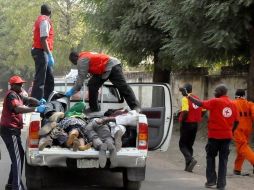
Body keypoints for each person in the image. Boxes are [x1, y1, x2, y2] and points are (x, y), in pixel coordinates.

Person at [180, 84, 238, 190]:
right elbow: (237, 121)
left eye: (216, 90)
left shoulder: (215, 101)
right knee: (223, 160)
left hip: (214, 136)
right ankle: (221, 184)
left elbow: (200, 103)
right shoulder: (233, 104)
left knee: (211, 157)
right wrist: (231, 131)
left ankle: (211, 181)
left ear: (220, 92)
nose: (214, 92)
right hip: (227, 136)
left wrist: (187, 96)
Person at [0, 75, 46, 190]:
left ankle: (11, 184)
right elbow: (18, 109)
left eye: (21, 84)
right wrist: (35, 109)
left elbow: (28, 100)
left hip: (12, 130)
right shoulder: (11, 95)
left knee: (19, 155)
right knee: (17, 159)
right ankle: (17, 187)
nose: (21, 86)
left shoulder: (18, 94)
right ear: (12, 85)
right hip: (10, 131)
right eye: (18, 84)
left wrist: (38, 102)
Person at [65, 51, 140, 112]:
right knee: (92, 85)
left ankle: (135, 107)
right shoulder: (85, 55)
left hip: (112, 65)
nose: (75, 64)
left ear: (75, 59)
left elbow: (80, 79)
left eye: (73, 62)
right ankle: (94, 108)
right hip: (103, 69)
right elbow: (94, 66)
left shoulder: (81, 60)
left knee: (122, 86)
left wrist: (72, 90)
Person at [31, 4, 55, 101]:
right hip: (41, 51)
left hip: (40, 51)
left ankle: (47, 99)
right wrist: (49, 54)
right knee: (40, 79)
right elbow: (43, 39)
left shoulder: (39, 19)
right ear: (50, 13)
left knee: (49, 78)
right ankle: (35, 102)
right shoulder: (45, 21)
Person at [178, 83, 202, 172]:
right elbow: (204, 109)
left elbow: (185, 111)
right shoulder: (197, 99)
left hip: (186, 124)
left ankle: (190, 159)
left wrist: (181, 120)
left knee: (182, 145)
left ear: (185, 90)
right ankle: (188, 167)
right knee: (189, 145)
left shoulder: (185, 99)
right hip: (195, 124)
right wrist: (197, 117)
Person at [232, 89, 254, 175]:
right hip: (247, 129)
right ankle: (237, 169)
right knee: (241, 148)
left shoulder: (233, 103)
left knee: (242, 146)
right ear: (244, 96)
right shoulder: (250, 104)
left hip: (237, 128)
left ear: (236, 95)